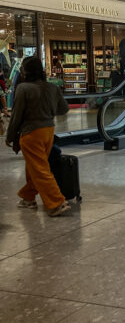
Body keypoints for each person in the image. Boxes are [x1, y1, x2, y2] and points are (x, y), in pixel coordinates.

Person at [5, 55, 70, 216]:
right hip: (49, 131)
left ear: (26, 71)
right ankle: (28, 198)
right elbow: (64, 109)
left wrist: (10, 136)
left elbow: (16, 116)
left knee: (40, 169)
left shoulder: (23, 88)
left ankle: (57, 202)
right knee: (34, 166)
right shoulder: (52, 87)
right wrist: (48, 109)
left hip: (31, 133)